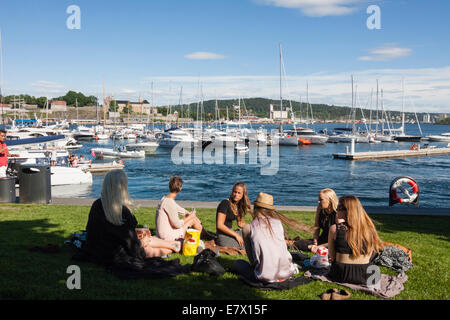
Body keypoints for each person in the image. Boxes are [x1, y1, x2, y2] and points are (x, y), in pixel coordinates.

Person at [83, 169, 181, 262]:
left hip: (97, 250)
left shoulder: (97, 204)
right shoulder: (122, 211)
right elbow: (133, 247)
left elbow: (111, 231)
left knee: (146, 239)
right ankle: (174, 246)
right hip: (115, 253)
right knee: (147, 247)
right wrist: (142, 242)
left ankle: (174, 244)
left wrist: (136, 231)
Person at [233, 192, 307, 283]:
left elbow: (251, 259)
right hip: (286, 272)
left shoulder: (247, 228)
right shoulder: (278, 223)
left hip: (264, 276)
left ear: (255, 208)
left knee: (238, 263)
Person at [327, 195, 383, 285]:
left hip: (340, 275)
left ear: (346, 210)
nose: (336, 211)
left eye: (338, 208)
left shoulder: (334, 229)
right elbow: (370, 254)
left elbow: (332, 256)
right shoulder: (369, 229)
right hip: (367, 276)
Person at [155, 176, 208, 242]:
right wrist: (190, 217)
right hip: (167, 236)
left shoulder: (165, 199)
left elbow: (179, 209)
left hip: (162, 234)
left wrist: (189, 214)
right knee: (193, 220)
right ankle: (203, 237)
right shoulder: (169, 202)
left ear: (169, 186)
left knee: (193, 218)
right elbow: (177, 224)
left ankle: (205, 234)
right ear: (180, 188)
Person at [294, 188, 338, 253]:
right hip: (323, 239)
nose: (318, 202)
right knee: (298, 244)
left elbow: (338, 239)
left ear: (330, 200)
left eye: (321, 200)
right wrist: (315, 240)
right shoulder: (320, 209)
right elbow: (317, 227)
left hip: (334, 241)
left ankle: (318, 248)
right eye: (318, 199)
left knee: (336, 246)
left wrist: (318, 247)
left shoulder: (337, 213)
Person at [216, 182, 251, 248]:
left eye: (239, 193)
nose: (236, 195)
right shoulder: (225, 203)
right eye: (235, 192)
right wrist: (236, 235)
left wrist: (252, 227)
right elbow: (219, 225)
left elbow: (240, 223)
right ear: (232, 192)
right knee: (250, 243)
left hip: (231, 233)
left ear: (243, 195)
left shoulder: (239, 205)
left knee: (252, 235)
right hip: (224, 237)